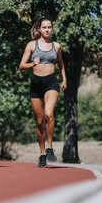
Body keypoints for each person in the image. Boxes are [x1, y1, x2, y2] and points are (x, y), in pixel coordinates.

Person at [19, 16, 67, 168]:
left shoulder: (57, 46)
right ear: (39, 29)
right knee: (39, 121)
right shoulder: (31, 45)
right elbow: (21, 65)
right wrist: (32, 63)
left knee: (49, 114)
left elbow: (60, 62)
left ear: (52, 29)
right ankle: (42, 153)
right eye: (44, 27)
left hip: (51, 83)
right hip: (36, 83)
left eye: (49, 27)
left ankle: (50, 147)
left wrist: (64, 79)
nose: (47, 30)